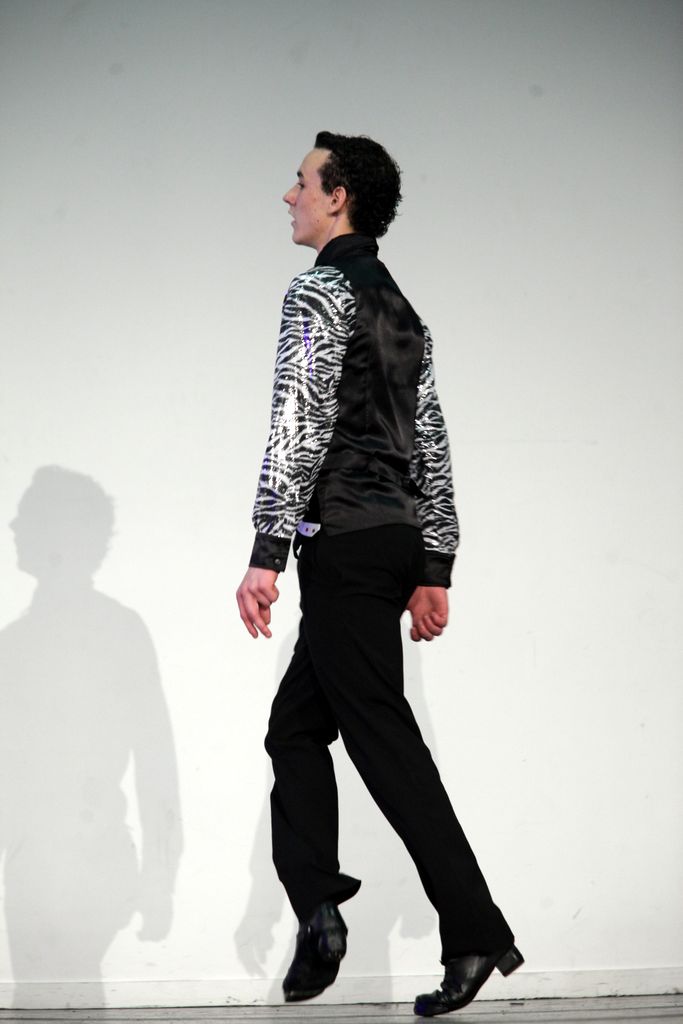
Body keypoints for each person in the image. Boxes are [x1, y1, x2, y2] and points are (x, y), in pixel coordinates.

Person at [236, 132, 522, 1016]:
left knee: (383, 741)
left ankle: (472, 929)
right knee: (294, 728)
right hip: (388, 541)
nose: (288, 195)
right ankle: (318, 906)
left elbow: (296, 421)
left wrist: (266, 552)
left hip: (345, 544)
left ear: (339, 197)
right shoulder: (400, 308)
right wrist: (432, 563)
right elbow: (428, 441)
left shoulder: (317, 292)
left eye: (300, 182)